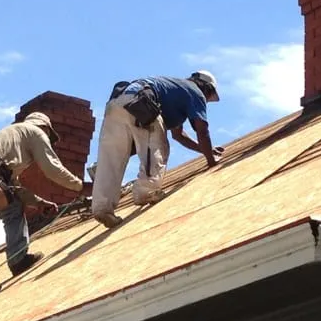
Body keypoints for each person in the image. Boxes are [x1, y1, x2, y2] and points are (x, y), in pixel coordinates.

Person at [0, 112, 84, 311]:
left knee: (12, 207)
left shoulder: (12, 137)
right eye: (49, 137)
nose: (48, 141)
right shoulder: (35, 132)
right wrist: (79, 186)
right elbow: (52, 168)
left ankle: (18, 259)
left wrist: (40, 203)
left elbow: (15, 189)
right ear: (45, 128)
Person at [90, 70, 224, 228]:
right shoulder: (196, 92)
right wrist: (211, 161)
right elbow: (202, 131)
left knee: (111, 158)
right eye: (208, 98)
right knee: (158, 146)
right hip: (141, 103)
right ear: (206, 88)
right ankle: (146, 192)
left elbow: (179, 135)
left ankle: (102, 208)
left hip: (117, 103)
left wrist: (206, 150)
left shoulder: (176, 90)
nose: (206, 102)